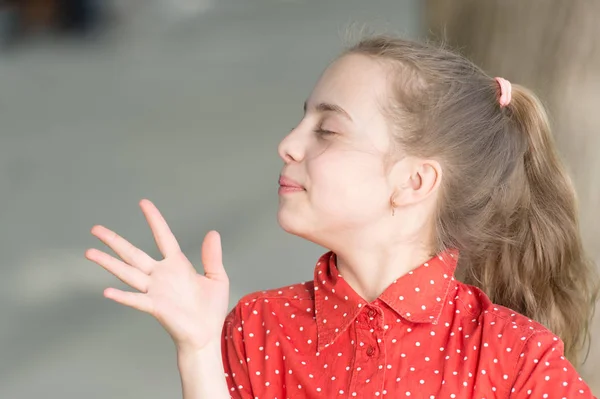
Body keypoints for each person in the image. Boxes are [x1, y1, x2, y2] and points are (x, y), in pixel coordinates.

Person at [86, 36, 599, 398]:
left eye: (326, 130)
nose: (288, 144)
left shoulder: (515, 357)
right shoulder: (258, 329)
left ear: (413, 182)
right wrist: (198, 350)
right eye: (302, 119)